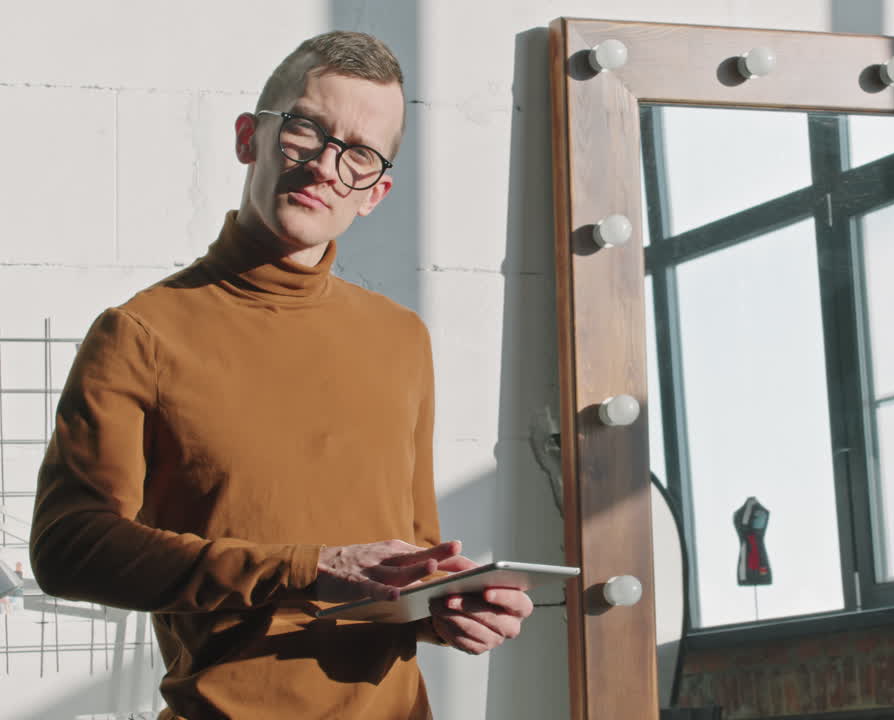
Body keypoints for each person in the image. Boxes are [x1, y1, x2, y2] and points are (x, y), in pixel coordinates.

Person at [28, 31, 531, 719]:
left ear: (376, 193)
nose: (327, 166)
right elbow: (67, 547)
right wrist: (307, 570)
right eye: (306, 131)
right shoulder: (141, 332)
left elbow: (405, 562)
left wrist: (448, 610)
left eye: (358, 153)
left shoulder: (402, 339)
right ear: (250, 138)